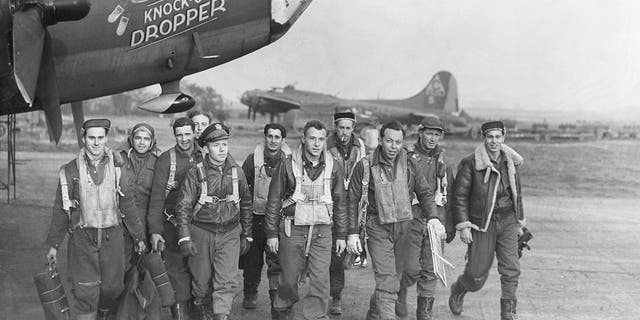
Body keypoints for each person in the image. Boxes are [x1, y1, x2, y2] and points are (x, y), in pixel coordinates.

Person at [45, 119, 146, 320]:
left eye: (101, 137)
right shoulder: (70, 171)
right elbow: (60, 210)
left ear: (106, 138)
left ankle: (104, 313)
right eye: (91, 138)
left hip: (112, 237)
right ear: (83, 139)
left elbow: (127, 205)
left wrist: (139, 237)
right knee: (85, 289)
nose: (96, 143)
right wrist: (54, 245)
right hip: (83, 238)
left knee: (112, 287)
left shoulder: (118, 168)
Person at [346, 120, 444, 320]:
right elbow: (351, 201)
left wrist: (433, 217)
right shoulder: (365, 166)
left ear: (403, 142)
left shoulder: (410, 163)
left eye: (398, 142)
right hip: (377, 226)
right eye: (389, 141)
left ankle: (374, 313)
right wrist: (352, 233)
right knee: (386, 276)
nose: (394, 147)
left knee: (397, 276)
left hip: (404, 226)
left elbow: (425, 193)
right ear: (380, 140)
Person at [265, 120, 348, 320]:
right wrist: (271, 234)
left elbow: (340, 203)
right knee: (288, 279)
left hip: (322, 231)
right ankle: (283, 310)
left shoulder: (333, 167)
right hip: (292, 228)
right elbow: (274, 201)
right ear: (304, 139)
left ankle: (317, 315)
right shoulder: (287, 165)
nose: (317, 144)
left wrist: (341, 235)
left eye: (321, 139)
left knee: (321, 281)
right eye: (312, 138)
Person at [175, 123, 253, 320]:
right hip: (201, 232)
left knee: (226, 282)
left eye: (225, 144)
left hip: (230, 233)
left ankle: (220, 316)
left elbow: (246, 204)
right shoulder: (195, 173)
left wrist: (248, 234)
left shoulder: (237, 172)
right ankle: (202, 310)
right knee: (201, 282)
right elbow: (183, 206)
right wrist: (184, 237)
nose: (222, 149)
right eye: (216, 145)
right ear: (206, 148)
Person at [448, 121, 525, 320]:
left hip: (507, 220)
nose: (494, 141)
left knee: (511, 268)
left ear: (503, 137)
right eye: (490, 137)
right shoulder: (470, 162)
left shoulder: (511, 161)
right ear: (483, 137)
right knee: (476, 275)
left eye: (498, 137)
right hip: (482, 223)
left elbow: (517, 194)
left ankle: (508, 312)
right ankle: (459, 289)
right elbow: (460, 196)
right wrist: (463, 225)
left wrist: (519, 222)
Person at [396, 115, 455, 320]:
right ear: (420, 132)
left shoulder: (443, 161)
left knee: (431, 269)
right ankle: (400, 293)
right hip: (411, 218)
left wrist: (450, 225)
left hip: (435, 220)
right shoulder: (405, 156)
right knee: (410, 267)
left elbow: (451, 195)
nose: (432, 138)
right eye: (429, 133)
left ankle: (425, 313)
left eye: (436, 134)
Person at [147, 117, 203, 320]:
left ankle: (200, 310)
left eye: (188, 134)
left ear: (195, 132)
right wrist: (155, 231)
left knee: (201, 270)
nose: (184, 139)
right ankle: (180, 315)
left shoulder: (206, 154)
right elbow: (156, 199)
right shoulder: (165, 159)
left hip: (201, 224)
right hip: (172, 224)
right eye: (179, 135)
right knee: (176, 270)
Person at [240, 123, 291, 318]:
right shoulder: (253, 160)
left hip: (278, 219)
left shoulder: (289, 161)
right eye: (270, 136)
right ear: (265, 137)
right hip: (255, 218)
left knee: (276, 261)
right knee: (252, 261)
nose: (273, 140)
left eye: (277, 137)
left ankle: (275, 299)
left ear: (283, 140)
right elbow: (243, 188)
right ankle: (250, 292)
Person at [325, 109, 367, 315]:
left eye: (348, 128)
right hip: (329, 203)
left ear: (354, 127)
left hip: (351, 203)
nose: (344, 132)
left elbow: (365, 174)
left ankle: (336, 296)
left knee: (339, 254)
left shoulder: (360, 147)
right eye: (340, 127)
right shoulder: (325, 144)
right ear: (335, 126)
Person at [119, 123, 158, 272]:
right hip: (121, 217)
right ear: (131, 139)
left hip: (145, 218)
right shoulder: (120, 159)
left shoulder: (158, 162)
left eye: (146, 139)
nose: (142, 142)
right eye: (138, 138)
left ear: (152, 142)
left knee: (143, 264)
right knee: (121, 264)